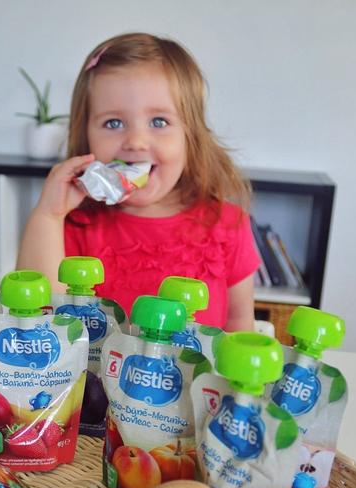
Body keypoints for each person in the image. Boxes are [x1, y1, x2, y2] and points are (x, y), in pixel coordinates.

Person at [17, 32, 260, 330]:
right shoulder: (73, 226)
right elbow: (38, 317)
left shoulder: (227, 225)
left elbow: (239, 321)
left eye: (159, 122)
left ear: (190, 136)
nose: (136, 141)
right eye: (113, 123)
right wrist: (49, 215)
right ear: (86, 136)